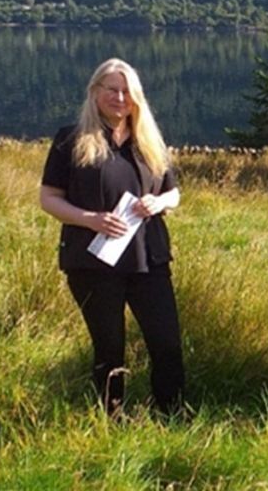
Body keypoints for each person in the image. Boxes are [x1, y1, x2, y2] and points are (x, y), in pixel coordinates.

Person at [39, 58, 184, 415]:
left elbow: (174, 193)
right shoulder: (71, 140)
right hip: (92, 264)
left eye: (127, 91)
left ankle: (171, 412)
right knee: (109, 347)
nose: (120, 98)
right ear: (95, 92)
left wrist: (159, 201)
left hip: (148, 259)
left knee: (166, 343)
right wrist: (91, 220)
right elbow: (49, 198)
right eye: (111, 90)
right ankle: (111, 418)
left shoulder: (148, 141)